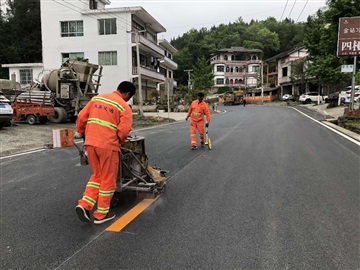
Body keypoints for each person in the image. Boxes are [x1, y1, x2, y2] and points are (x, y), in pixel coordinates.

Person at [74, 81, 136, 224]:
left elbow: (82, 117)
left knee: (98, 175)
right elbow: (124, 131)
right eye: (129, 97)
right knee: (108, 179)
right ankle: (101, 214)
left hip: (90, 143)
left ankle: (84, 204)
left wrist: (81, 131)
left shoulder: (97, 98)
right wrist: (120, 140)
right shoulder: (124, 107)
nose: (127, 99)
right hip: (108, 145)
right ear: (127, 94)